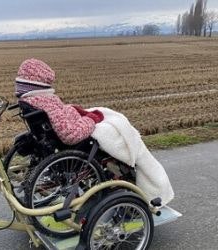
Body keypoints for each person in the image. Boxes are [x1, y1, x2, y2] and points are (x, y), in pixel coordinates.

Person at [14, 58, 174, 206]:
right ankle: (148, 180)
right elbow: (70, 135)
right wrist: (91, 118)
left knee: (115, 119)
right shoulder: (45, 102)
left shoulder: (29, 100)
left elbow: (60, 118)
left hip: (60, 134)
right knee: (121, 128)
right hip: (79, 141)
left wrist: (72, 110)